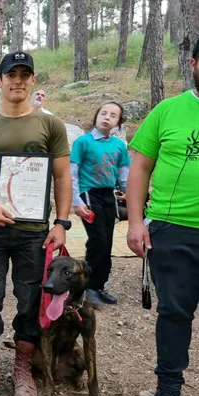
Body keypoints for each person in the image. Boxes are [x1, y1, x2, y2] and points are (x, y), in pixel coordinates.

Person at [0, 51, 71, 396]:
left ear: (33, 80)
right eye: (11, 74)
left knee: (29, 300)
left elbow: (63, 176)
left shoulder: (50, 126)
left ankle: (22, 367)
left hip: (33, 232)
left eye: (25, 74)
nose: (18, 80)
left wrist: (62, 223)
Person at [126, 37, 199, 396]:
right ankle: (168, 391)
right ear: (193, 64)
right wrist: (136, 221)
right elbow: (140, 168)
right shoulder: (168, 111)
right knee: (174, 312)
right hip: (174, 228)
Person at [71, 102, 129, 306]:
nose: (107, 117)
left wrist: (128, 192)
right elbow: (72, 173)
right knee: (98, 241)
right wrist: (76, 201)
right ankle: (86, 288)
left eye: (113, 115)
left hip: (108, 195)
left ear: (118, 122)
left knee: (108, 242)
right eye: (103, 113)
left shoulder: (119, 145)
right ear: (96, 116)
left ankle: (99, 286)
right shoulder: (83, 142)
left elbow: (123, 172)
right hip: (89, 194)